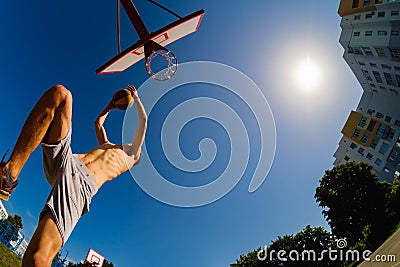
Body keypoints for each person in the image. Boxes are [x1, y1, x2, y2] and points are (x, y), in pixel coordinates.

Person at [0, 84, 147, 267]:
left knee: (36, 259)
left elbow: (143, 120)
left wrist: (137, 98)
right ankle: (8, 175)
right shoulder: (108, 145)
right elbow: (98, 123)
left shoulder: (132, 155)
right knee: (60, 94)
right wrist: (110, 106)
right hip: (68, 161)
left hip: (80, 185)